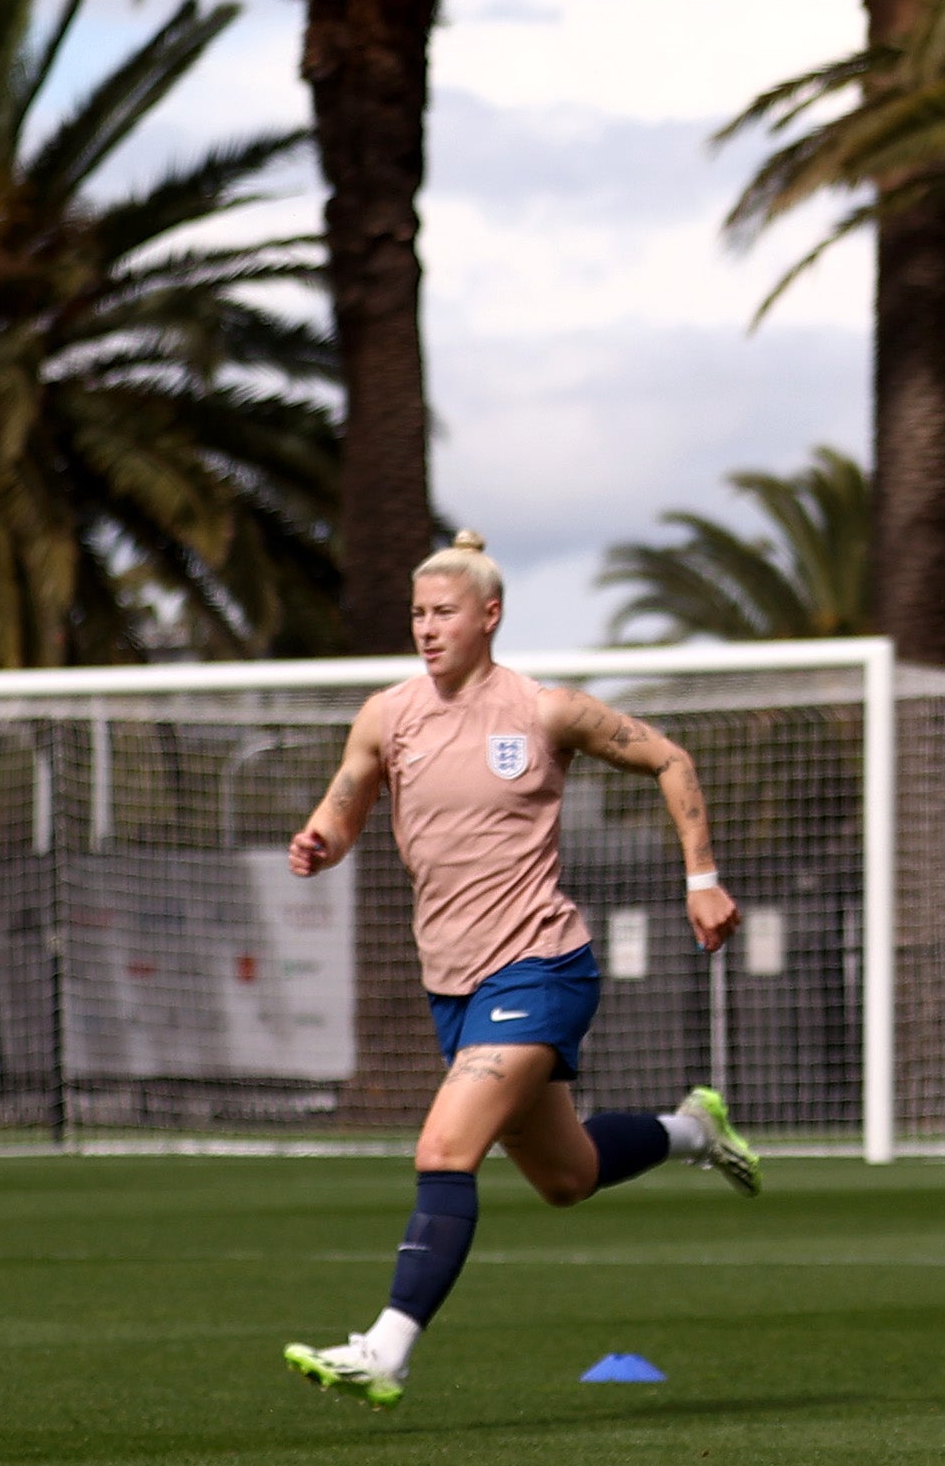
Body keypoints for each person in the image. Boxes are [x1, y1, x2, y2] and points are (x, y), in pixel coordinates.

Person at [279, 534, 757, 1406]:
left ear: (489, 616)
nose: (427, 629)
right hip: (452, 984)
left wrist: (702, 878)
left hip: (540, 966)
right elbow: (345, 802)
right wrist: (321, 840)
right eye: (418, 614)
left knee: (444, 1148)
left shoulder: (546, 711)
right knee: (566, 1177)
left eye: (444, 613)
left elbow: (668, 758)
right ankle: (694, 1130)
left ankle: (387, 1348)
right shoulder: (387, 716)